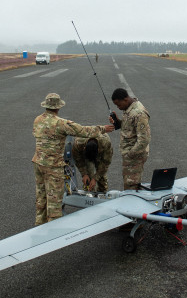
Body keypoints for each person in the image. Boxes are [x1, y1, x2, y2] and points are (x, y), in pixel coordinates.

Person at [32, 93, 114, 225]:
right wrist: (102, 129)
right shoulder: (61, 123)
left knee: (41, 197)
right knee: (54, 201)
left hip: (38, 163)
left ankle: (39, 225)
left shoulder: (37, 120)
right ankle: (53, 231)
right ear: (58, 108)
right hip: (53, 166)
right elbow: (82, 131)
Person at [109, 88, 151, 190]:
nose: (118, 107)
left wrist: (130, 154)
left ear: (125, 99)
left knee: (131, 186)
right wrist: (117, 122)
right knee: (132, 183)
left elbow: (144, 139)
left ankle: (134, 205)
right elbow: (128, 127)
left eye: (119, 104)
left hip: (135, 155)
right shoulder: (128, 108)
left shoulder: (139, 113)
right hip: (130, 154)